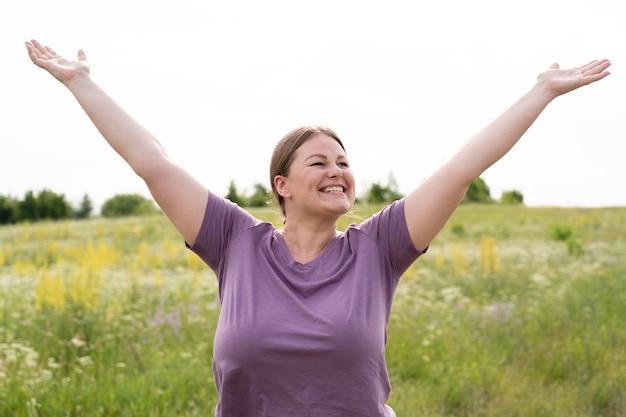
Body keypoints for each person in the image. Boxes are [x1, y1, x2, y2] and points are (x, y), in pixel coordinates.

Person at [25, 39, 611, 416]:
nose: (339, 171)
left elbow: (462, 167)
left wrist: (542, 92)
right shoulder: (236, 243)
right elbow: (151, 161)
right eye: (319, 162)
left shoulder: (379, 248)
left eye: (344, 161)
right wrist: (81, 81)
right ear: (281, 184)